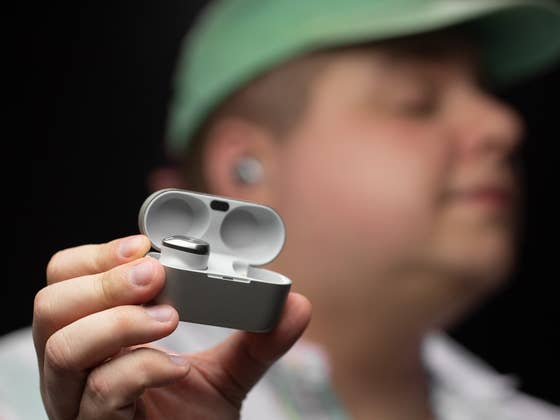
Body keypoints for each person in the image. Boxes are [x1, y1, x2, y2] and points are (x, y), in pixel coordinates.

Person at [3, 0, 560, 419]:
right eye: (418, 102)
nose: (504, 125)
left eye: (488, 91)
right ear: (245, 167)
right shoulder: (30, 391)